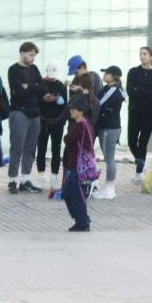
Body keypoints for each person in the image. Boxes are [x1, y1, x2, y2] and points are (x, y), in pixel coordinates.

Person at [61, 95, 94, 232]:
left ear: (80, 111)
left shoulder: (80, 126)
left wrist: (66, 137)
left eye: (73, 109)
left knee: (74, 195)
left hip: (78, 166)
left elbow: (68, 139)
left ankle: (82, 222)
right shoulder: (86, 124)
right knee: (70, 193)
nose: (71, 111)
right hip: (78, 165)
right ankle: (82, 219)